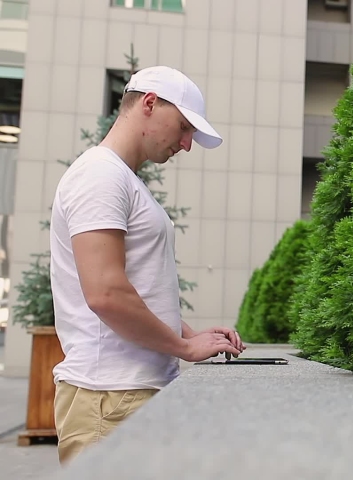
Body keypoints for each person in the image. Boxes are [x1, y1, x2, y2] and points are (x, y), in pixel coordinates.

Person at [48, 65, 246, 466]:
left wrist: (190, 332)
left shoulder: (120, 178)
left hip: (123, 396)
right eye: (185, 127)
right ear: (151, 104)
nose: (187, 144)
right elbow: (105, 294)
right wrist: (183, 346)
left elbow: (133, 286)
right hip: (109, 398)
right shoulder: (100, 175)